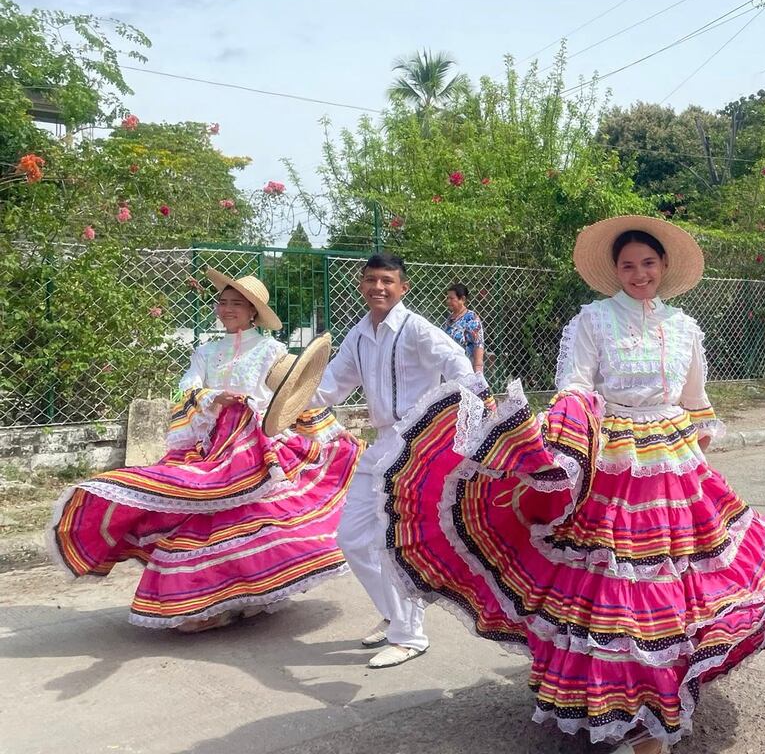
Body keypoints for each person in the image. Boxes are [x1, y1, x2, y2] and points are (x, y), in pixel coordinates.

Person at [373, 215, 765, 754]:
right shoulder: (592, 321)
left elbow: (696, 401)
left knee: (682, 591)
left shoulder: (685, 327)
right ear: (615, 271)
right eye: (628, 265)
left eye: (648, 263)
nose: (639, 273)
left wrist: (697, 459)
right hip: (612, 464)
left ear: (664, 267)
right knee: (618, 592)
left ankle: (661, 695)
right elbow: (575, 388)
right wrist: (561, 448)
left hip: (678, 469)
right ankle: (634, 717)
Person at [49, 269, 360, 632]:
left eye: (236, 304)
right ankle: (208, 602)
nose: (227, 309)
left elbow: (290, 395)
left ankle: (256, 594)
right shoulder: (206, 352)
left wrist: (274, 416)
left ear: (253, 312)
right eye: (223, 302)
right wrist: (213, 397)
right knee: (195, 519)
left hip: (258, 446)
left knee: (259, 520)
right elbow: (185, 391)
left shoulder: (272, 350)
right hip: (210, 446)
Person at [312, 253, 487, 669]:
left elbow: (457, 363)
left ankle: (410, 636)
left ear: (402, 287)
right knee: (351, 539)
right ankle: (394, 616)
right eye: (371, 280)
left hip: (416, 445)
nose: (379, 287)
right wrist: (289, 402)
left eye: (387, 281)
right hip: (381, 445)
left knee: (396, 542)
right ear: (361, 284)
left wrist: (462, 414)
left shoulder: (416, 328)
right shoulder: (358, 335)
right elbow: (332, 385)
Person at [442, 281, 486, 374]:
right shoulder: (450, 319)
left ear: (462, 299)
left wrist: (478, 371)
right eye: (447, 298)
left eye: (451, 298)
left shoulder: (471, 318)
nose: (448, 301)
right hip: (450, 369)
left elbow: (478, 345)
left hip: (465, 369)